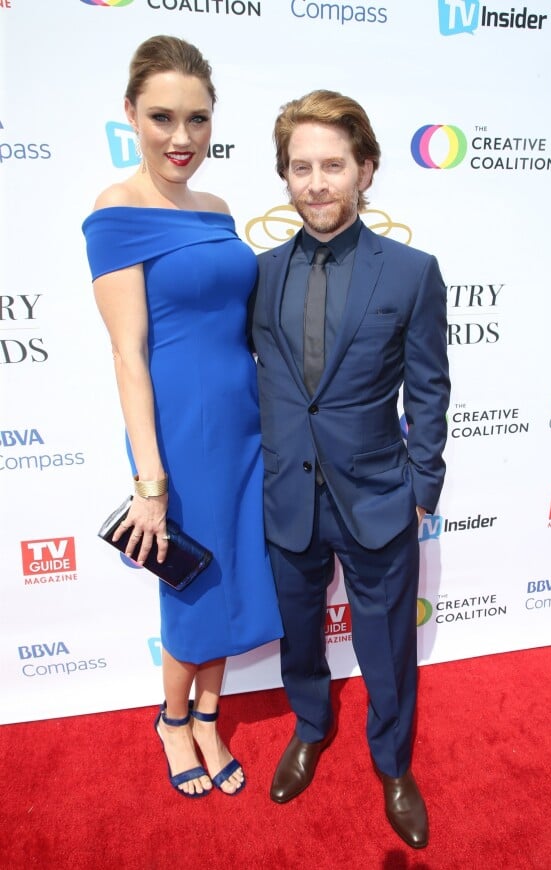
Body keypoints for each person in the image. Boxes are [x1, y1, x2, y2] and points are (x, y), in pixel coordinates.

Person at [82, 35, 282, 799]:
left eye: (197, 119)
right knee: (190, 581)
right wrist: (150, 480)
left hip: (244, 425)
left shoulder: (218, 207)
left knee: (229, 569)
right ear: (130, 113)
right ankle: (173, 721)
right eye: (162, 116)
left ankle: (209, 712)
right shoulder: (117, 210)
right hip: (179, 436)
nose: (182, 137)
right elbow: (127, 354)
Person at [251, 90, 450, 847]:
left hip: (376, 496)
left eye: (332, 165)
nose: (316, 183)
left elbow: (429, 385)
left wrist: (422, 486)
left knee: (387, 646)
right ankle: (309, 726)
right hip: (289, 495)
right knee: (300, 635)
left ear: (365, 169)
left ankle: (393, 764)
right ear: (285, 176)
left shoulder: (410, 272)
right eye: (300, 167)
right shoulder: (260, 273)